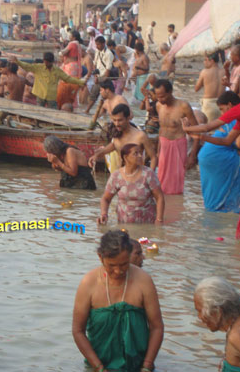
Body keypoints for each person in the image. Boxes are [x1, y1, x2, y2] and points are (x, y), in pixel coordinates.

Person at [72, 230, 164, 371]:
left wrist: (147, 365)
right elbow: (78, 330)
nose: (118, 271)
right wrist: (99, 367)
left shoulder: (144, 281)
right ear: (100, 257)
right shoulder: (88, 283)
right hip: (99, 365)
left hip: (139, 365)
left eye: (124, 264)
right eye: (112, 265)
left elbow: (156, 327)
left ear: (129, 257)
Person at [188, 92, 240, 212]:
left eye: (221, 109)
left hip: (206, 156)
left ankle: (216, 211)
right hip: (219, 156)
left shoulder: (231, 119)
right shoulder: (239, 118)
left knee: (217, 188)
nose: (221, 113)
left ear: (230, 105)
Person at [98, 143, 164, 224]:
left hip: (147, 223)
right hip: (123, 223)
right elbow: (106, 199)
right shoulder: (116, 176)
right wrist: (104, 214)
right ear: (125, 157)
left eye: (140, 153)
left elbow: (159, 197)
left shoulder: (148, 173)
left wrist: (159, 220)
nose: (140, 156)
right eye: (136, 153)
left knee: (144, 237)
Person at [155, 79, 199, 194]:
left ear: (170, 92)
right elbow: (161, 129)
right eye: (158, 96)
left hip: (178, 144)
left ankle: (177, 207)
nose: (160, 99)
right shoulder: (158, 105)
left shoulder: (183, 106)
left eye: (163, 96)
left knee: (176, 181)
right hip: (164, 144)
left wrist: (193, 155)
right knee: (161, 180)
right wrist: (158, 151)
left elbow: (197, 130)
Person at [88, 104, 157, 171]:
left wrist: (150, 176)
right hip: (122, 174)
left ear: (128, 118)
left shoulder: (140, 136)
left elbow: (153, 158)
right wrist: (96, 155)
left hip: (138, 175)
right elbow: (112, 146)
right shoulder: (116, 135)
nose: (117, 124)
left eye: (120, 120)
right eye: (114, 120)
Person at [11, 52, 84, 109]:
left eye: (48, 62)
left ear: (52, 62)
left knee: (53, 112)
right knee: (40, 112)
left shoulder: (57, 70)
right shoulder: (38, 67)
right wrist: (17, 61)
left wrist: (80, 82)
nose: (46, 64)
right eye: (45, 62)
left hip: (51, 97)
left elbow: (68, 78)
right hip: (40, 95)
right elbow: (27, 66)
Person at [85, 36, 114, 114]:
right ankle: (89, 111)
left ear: (103, 44)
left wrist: (99, 79)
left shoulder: (109, 54)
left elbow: (108, 71)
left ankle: (88, 111)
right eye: (96, 44)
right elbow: (95, 64)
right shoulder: (97, 51)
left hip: (104, 78)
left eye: (98, 44)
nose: (97, 46)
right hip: (98, 77)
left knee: (103, 97)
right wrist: (95, 76)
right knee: (94, 96)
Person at [57, 30, 83, 109]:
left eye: (70, 35)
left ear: (74, 37)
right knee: (72, 86)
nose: (69, 36)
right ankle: (72, 104)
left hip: (70, 67)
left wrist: (59, 51)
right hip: (75, 67)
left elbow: (63, 53)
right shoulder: (78, 44)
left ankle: (65, 104)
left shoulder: (72, 44)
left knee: (66, 85)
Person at [195, 52, 224, 122]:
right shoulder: (224, 71)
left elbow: (196, 88)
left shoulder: (204, 72)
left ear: (212, 61)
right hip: (222, 104)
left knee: (207, 129)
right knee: (220, 130)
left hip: (209, 104)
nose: (204, 62)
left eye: (205, 60)